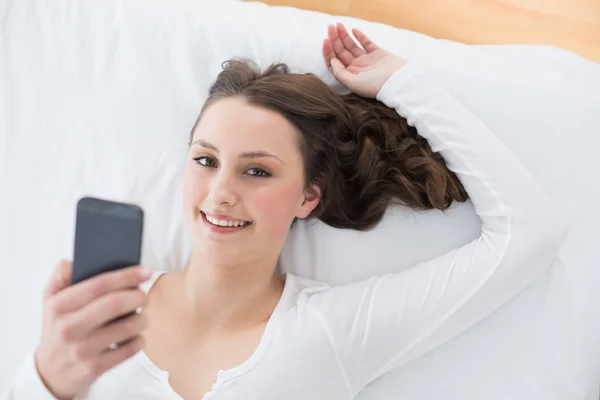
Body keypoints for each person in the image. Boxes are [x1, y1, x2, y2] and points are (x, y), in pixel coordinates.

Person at [3, 23, 568, 400]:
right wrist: (46, 377)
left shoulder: (330, 332)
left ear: (308, 197)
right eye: (206, 159)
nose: (220, 191)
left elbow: (531, 232)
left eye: (257, 171)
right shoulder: (97, 320)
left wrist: (405, 84)